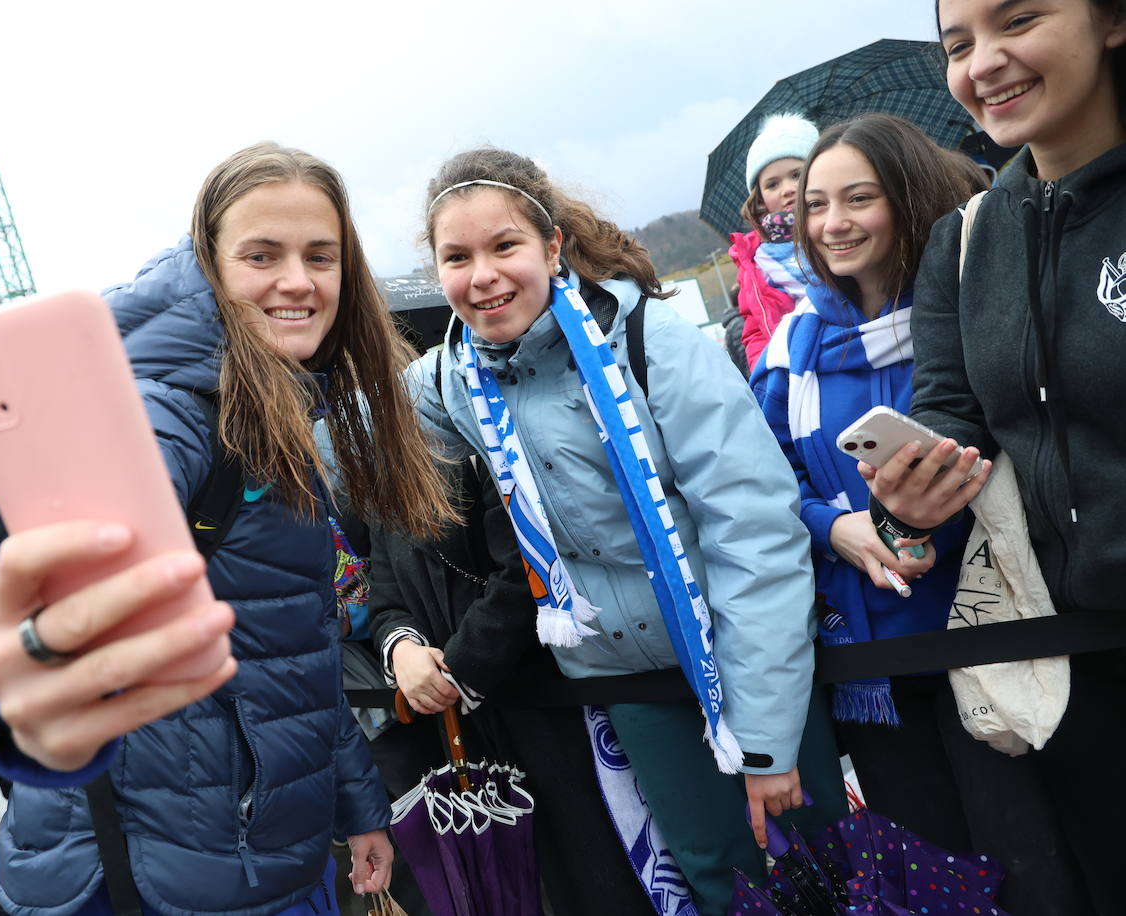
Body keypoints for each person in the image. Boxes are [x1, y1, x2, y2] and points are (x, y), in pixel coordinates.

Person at [0, 142, 453, 916]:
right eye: (262, 255)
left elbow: (293, 654)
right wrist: (34, 694)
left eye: (320, 256)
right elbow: (62, 598)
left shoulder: (276, 408)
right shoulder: (169, 410)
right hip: (162, 871)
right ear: (210, 266)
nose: (298, 280)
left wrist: (358, 806)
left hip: (256, 853)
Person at [409, 147, 847, 916]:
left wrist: (766, 738)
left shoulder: (650, 340)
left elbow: (753, 534)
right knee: (715, 887)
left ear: (551, 246)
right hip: (629, 684)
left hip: (743, 654)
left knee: (827, 876)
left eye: (505, 246)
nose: (483, 276)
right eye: (457, 257)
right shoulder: (453, 377)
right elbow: (347, 448)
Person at [748, 113, 1085, 894]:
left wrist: (929, 512)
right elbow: (764, 485)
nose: (832, 223)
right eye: (816, 205)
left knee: (1036, 866)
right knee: (933, 882)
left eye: (859, 198)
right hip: (871, 661)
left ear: (906, 198)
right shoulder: (791, 350)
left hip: (990, 632)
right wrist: (837, 527)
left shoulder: (975, 311)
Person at [862, 2, 1126, 911]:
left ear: (1110, 20)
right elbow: (950, 413)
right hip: (1070, 665)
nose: (985, 63)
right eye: (958, 44)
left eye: (1018, 20)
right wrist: (904, 498)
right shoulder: (967, 237)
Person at [371, 457, 659, 916]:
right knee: (510, 885)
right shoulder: (386, 471)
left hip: (549, 702)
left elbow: (525, 569)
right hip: (466, 721)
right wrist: (403, 649)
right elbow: (386, 597)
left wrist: (458, 670)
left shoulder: (475, 444)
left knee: (592, 870)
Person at [727, 113, 819, 370]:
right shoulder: (755, 259)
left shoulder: (842, 230)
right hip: (792, 371)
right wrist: (766, 374)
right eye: (772, 184)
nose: (787, 189)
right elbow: (755, 330)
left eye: (796, 174)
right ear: (760, 198)